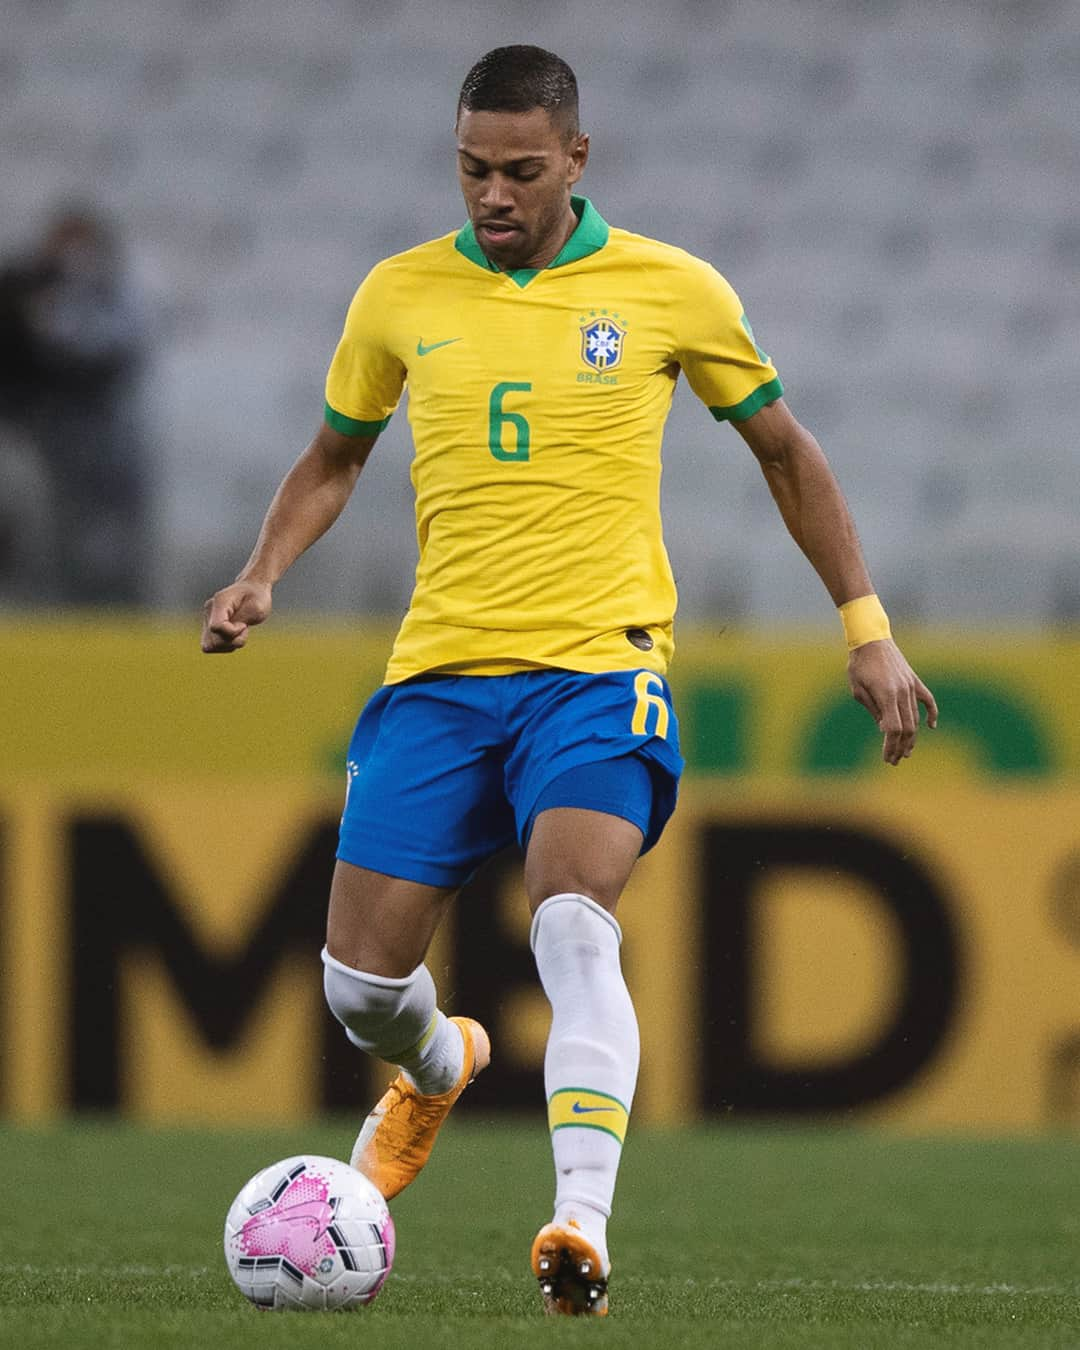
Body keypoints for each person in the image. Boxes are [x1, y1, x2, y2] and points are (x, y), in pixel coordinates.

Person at [201, 45, 937, 1317]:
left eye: (521, 170)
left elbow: (786, 453)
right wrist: (264, 572)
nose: (493, 192)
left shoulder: (668, 288)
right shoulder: (398, 293)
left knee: (571, 918)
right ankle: (435, 1068)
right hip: (439, 674)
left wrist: (863, 627)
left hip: (601, 671)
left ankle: (576, 1227)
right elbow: (334, 456)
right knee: (359, 988)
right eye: (473, 168)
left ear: (576, 160)